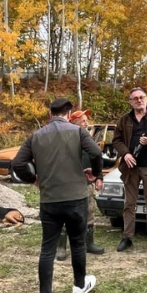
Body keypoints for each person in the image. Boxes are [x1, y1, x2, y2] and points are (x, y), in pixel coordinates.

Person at [11, 97, 104, 293]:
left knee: (47, 249)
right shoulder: (78, 132)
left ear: (50, 114)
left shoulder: (36, 136)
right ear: (69, 112)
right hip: (76, 198)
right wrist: (96, 173)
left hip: (50, 199)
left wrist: (33, 179)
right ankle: (79, 286)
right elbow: (97, 153)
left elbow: (16, 164)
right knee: (78, 243)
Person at [111, 87, 147, 252]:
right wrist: (126, 154)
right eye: (135, 98)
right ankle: (127, 237)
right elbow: (116, 140)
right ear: (130, 102)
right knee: (129, 203)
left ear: (146, 99)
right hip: (130, 167)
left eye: (141, 97)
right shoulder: (124, 120)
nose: (139, 100)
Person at [56, 109, 105, 258]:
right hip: (68, 184)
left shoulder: (89, 139)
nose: (86, 123)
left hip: (87, 183)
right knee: (65, 215)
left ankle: (88, 244)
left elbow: (97, 158)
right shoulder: (63, 139)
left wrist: (99, 177)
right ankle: (61, 248)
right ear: (73, 122)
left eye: (86, 120)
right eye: (83, 120)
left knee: (89, 212)